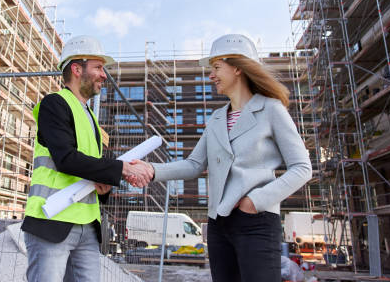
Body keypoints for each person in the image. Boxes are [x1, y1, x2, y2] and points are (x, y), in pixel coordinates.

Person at [131, 34, 312, 282]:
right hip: (218, 225)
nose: (210, 75)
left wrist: (254, 201)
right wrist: (151, 169)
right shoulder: (217, 118)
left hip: (257, 221)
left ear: (238, 68)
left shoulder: (271, 109)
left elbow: (302, 168)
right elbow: (194, 164)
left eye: (216, 67)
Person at [22, 35, 153, 282]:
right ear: (76, 68)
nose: (104, 75)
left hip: (87, 226)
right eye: (98, 67)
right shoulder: (54, 104)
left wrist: (103, 186)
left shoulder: (91, 118)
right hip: (52, 221)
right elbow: (66, 159)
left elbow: (93, 165)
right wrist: (120, 169)